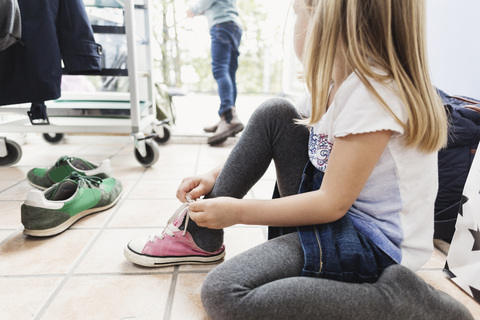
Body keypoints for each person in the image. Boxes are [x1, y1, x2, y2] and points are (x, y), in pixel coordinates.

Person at [125, 0, 473, 318]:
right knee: (276, 112)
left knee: (225, 293)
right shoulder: (338, 82)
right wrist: (219, 176)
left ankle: (398, 299)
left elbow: (331, 204)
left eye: (298, 13)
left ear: (327, 23)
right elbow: (286, 139)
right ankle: (201, 237)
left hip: (374, 247)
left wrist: (238, 212)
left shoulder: (373, 94)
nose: (295, 25)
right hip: (338, 217)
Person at [186, 0, 245, 146]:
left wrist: (193, 9)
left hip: (222, 25)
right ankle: (228, 117)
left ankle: (228, 117)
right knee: (229, 73)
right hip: (234, 26)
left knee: (220, 70)